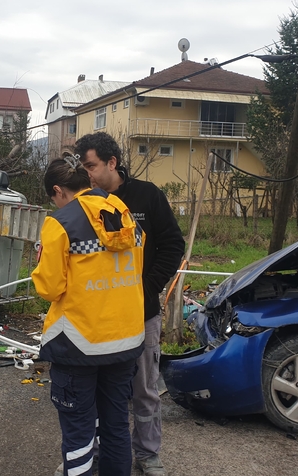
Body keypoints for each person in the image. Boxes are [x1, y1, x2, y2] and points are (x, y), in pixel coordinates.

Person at [74, 132, 185, 476]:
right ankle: (99, 452)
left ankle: (148, 454)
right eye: (83, 167)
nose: (87, 174)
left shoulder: (146, 197)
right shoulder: (83, 204)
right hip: (98, 320)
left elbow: (172, 245)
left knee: (145, 391)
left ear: (112, 163)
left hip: (141, 315)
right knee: (102, 394)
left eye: (91, 166)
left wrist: (146, 288)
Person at [32, 157, 146, 476]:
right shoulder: (125, 215)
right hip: (125, 342)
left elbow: (51, 288)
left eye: (53, 198)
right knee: (116, 429)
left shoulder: (61, 222)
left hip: (78, 345)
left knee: (79, 435)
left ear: (58, 190)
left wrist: (41, 263)